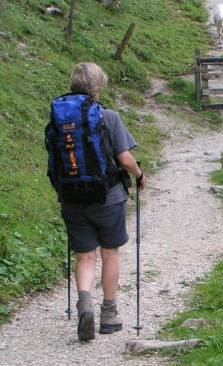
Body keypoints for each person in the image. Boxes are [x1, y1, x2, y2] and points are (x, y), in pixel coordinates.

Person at [60, 62, 146, 341]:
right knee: (110, 253)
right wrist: (139, 174)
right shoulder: (108, 117)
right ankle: (108, 314)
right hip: (108, 198)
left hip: (72, 199)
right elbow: (125, 159)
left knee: (85, 256)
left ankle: (84, 302)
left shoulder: (60, 119)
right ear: (98, 87)